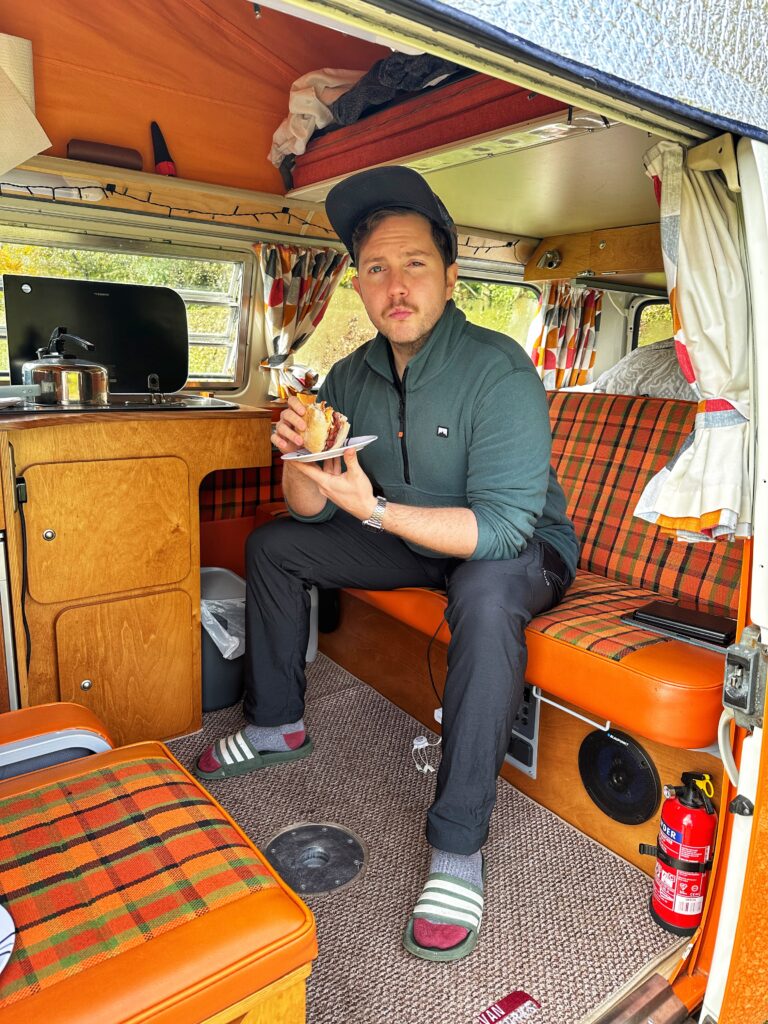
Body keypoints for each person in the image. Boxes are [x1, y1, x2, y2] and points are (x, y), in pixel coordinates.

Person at [196, 166, 578, 962]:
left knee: (484, 598)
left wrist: (373, 510)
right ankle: (276, 724)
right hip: (411, 537)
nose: (395, 286)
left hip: (514, 550)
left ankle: (457, 845)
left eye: (414, 264)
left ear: (451, 276)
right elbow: (311, 512)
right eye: (375, 268)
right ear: (359, 287)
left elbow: (502, 527)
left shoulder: (499, 370)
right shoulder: (350, 375)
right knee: (273, 545)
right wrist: (301, 460)